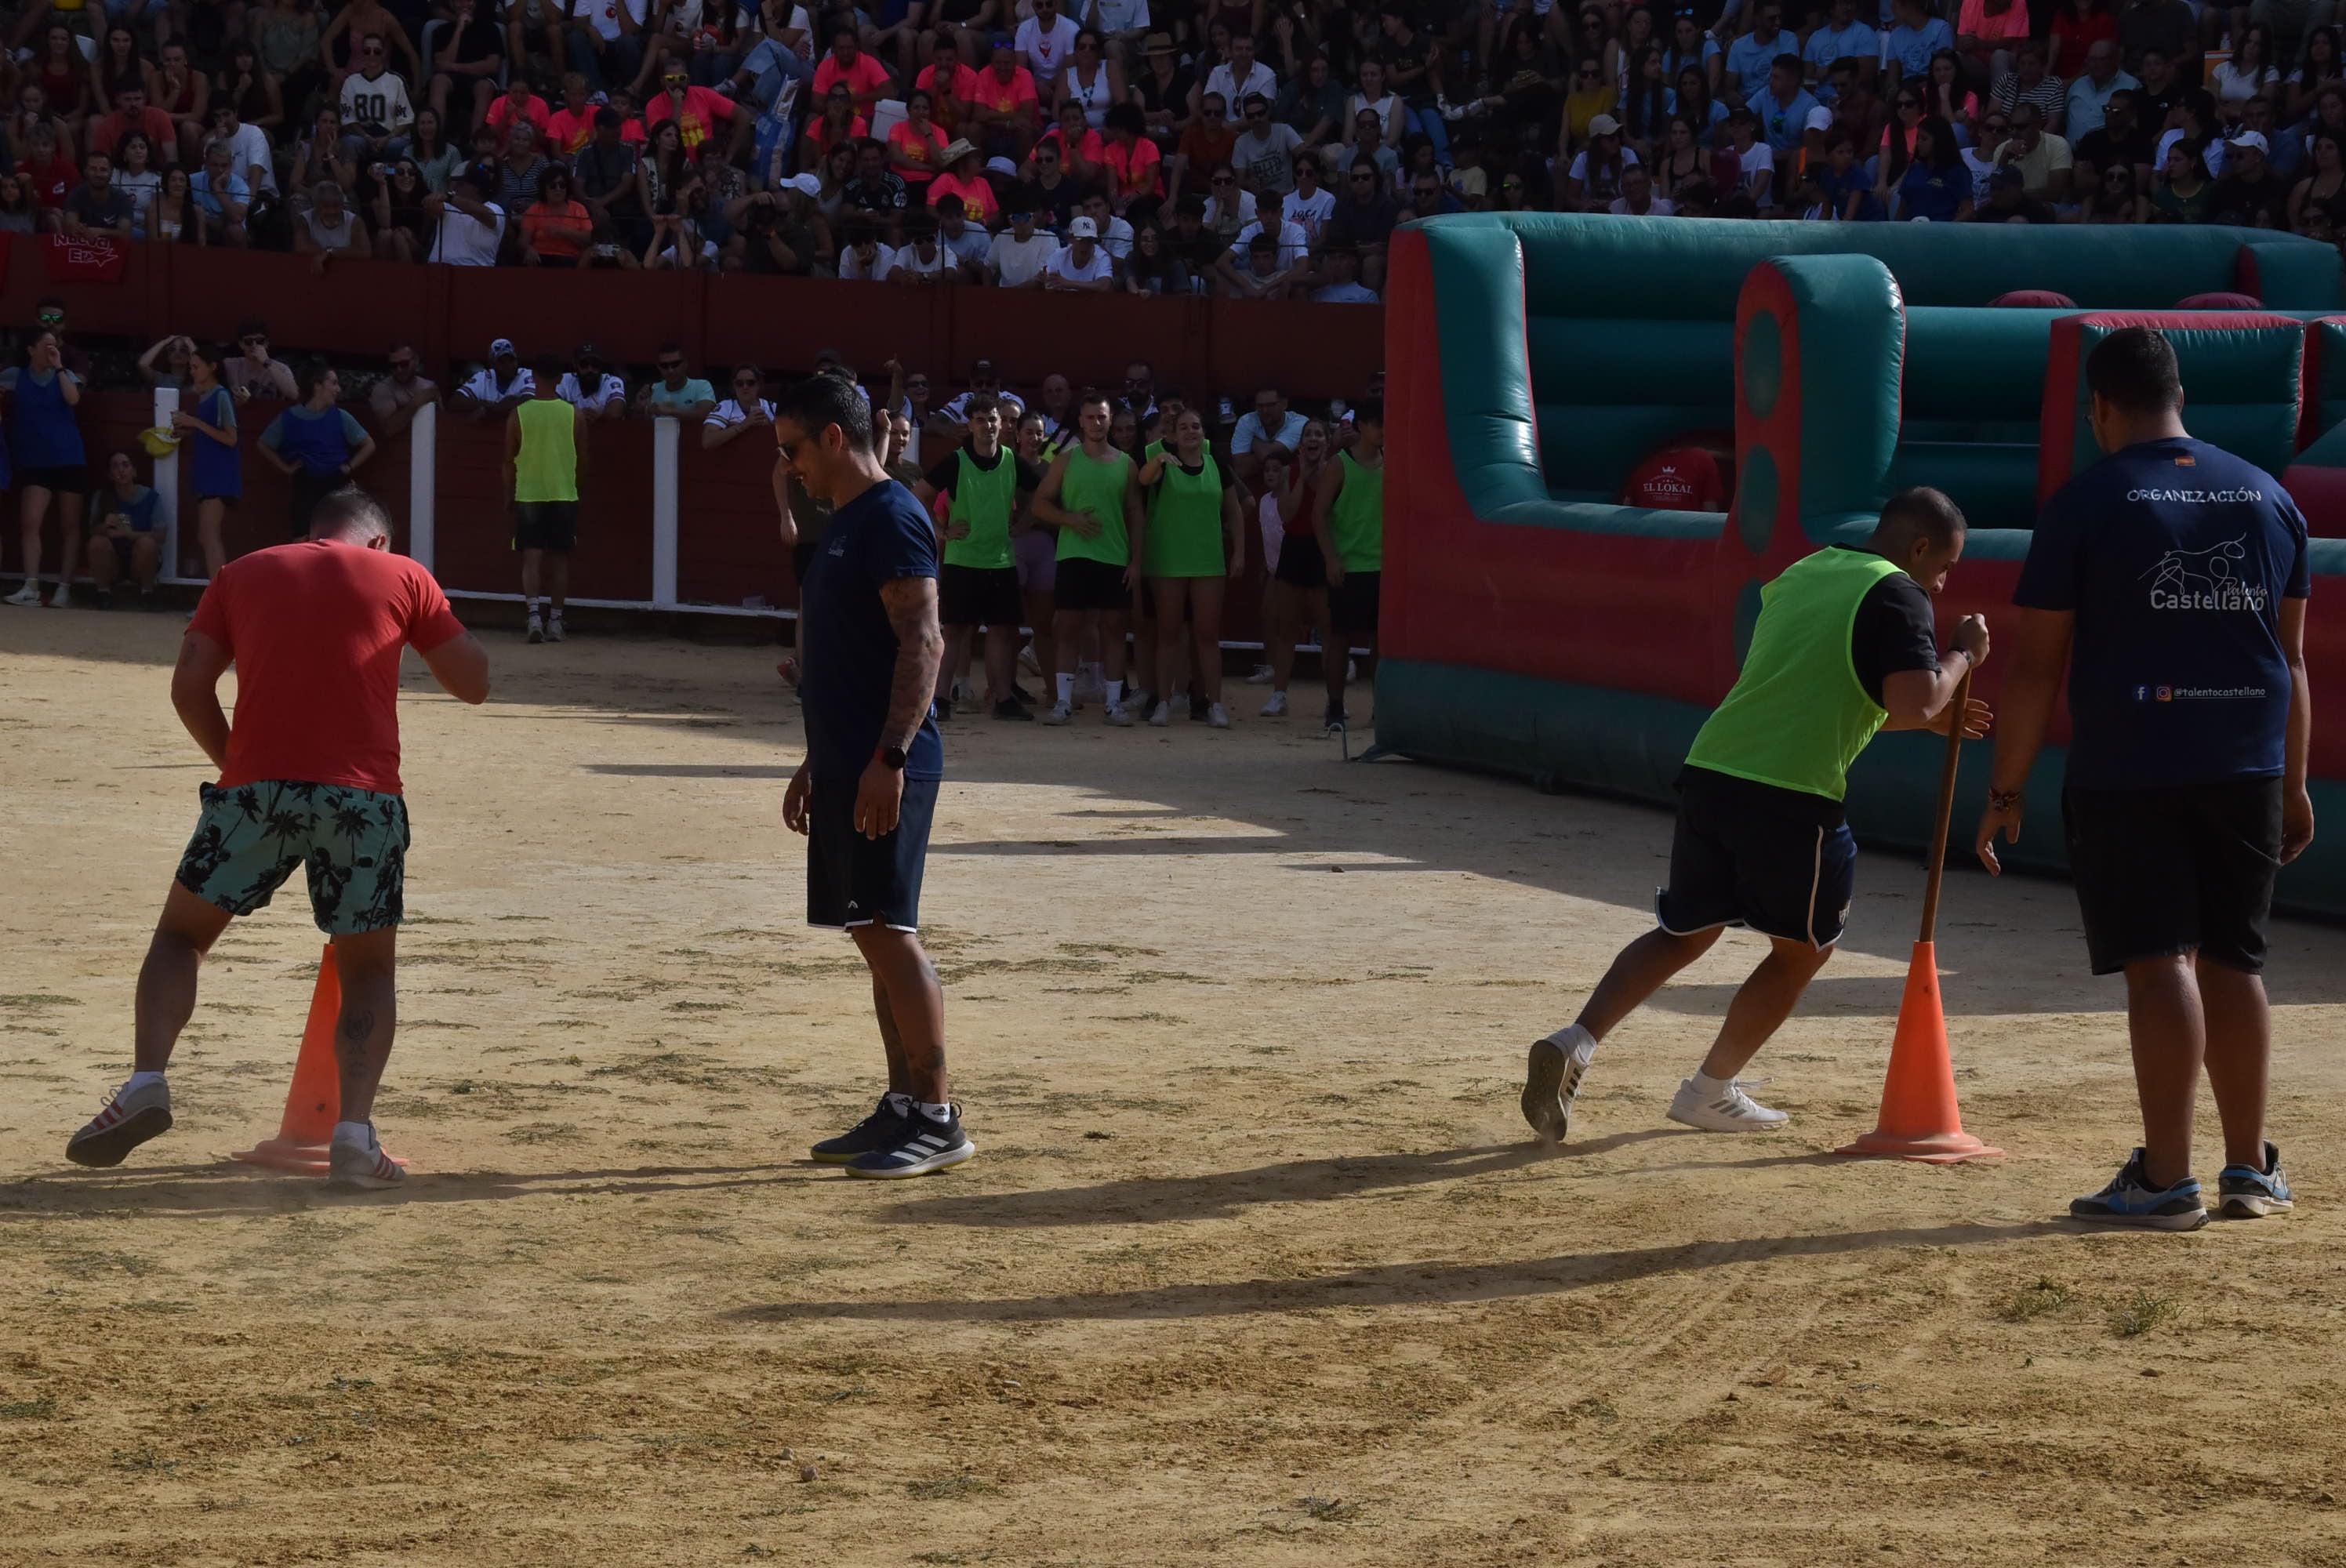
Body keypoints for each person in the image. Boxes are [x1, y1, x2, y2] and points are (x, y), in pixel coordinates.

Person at [1521, 489, 1991, 1147]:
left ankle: (1575, 1041)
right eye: (1944, 566)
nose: (1942, 581)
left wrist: (1925, 709)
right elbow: (1915, 701)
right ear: (1918, 549)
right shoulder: (1901, 593)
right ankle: (1708, 1091)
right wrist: (1963, 655)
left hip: (1714, 770)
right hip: (1793, 795)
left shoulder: (1804, 572)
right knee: (1806, 949)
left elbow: (1821, 686)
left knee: (1684, 931)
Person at [1976, 326, 2312, 1229]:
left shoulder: (2085, 502)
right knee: (2235, 957)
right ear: (2180, 399)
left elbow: (2037, 666)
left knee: (2159, 959)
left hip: (2130, 766)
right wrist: (2294, 783)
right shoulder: (2267, 495)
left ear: (2100, 408)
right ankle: (2248, 1168)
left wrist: (2004, 788)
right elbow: (2292, 660)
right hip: (2246, 760)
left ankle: (2165, 1177)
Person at [64, 488, 491, 1189]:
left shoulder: (242, 573)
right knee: (367, 971)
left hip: (256, 791)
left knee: (181, 939)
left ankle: (147, 1082)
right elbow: (472, 683)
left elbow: (188, 687)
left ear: (313, 532)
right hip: (364, 796)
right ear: (377, 541)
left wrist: (237, 767)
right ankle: (353, 1136)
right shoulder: (404, 575)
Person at [775, 371, 971, 1180]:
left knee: (890, 927)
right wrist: (817, 759)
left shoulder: (890, 517)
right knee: (870, 930)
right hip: (850, 762)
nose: (790, 466)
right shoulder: (853, 519)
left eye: (793, 448)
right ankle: (900, 1105)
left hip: (886, 765)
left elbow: (924, 644)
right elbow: (847, 658)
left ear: (831, 438)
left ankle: (937, 1114)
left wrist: (887, 758)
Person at [916, 393, 1042, 720]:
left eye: (993, 420)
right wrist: (942, 532)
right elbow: (920, 495)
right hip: (964, 559)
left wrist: (1027, 519)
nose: (988, 425)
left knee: (1002, 630)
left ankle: (1002, 699)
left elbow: (1043, 489)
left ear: (1002, 424)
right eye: (981, 420)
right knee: (955, 631)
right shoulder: (957, 461)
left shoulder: (1013, 460)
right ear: (970, 425)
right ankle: (940, 699)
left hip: (1001, 559)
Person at [1032, 388, 1144, 724]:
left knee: (1113, 629)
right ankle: (1064, 702)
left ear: (1110, 420)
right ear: (1080, 421)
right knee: (1067, 627)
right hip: (1074, 555)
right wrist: (1071, 519)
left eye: (1102, 417)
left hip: (1113, 557)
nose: (1097, 422)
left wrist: (1136, 561)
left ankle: (1114, 703)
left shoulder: (1127, 464)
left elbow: (1136, 514)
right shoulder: (1066, 460)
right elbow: (1039, 504)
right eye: (1091, 417)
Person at [1138, 406, 1243, 727]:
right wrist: (1158, 461)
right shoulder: (1161, 462)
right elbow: (1142, 481)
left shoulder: (1216, 464)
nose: (1190, 431)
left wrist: (1239, 553)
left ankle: (1216, 703)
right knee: (1168, 633)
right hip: (1168, 561)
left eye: (1196, 426)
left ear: (1203, 432)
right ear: (1173, 434)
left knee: (1208, 635)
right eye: (1183, 427)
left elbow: (1235, 510)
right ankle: (1164, 702)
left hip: (1208, 561)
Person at [1312, 396, 1386, 731]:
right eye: (1377, 423)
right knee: (1340, 640)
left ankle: (1381, 708)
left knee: (1381, 644)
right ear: (1361, 426)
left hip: (1383, 567)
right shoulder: (1339, 464)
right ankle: (1335, 708)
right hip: (1349, 566)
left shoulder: (1392, 461)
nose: (1383, 430)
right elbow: (1318, 514)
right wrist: (1331, 558)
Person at [506, 354, 588, 644]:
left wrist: (509, 495)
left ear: (533, 377)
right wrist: (575, 489)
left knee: (532, 558)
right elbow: (582, 461)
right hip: (563, 494)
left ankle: (533, 617)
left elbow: (508, 461)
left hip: (529, 493)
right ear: (561, 379)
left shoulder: (518, 414)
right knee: (560, 561)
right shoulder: (574, 414)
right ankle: (555, 621)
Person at [2, 328, 85, 608]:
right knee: (30, 522)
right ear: (31, 349)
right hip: (35, 460)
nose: (52, 350)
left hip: (69, 457)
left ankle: (64, 588)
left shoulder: (65, 374)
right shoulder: (15, 376)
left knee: (70, 525)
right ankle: (32, 586)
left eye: (55, 346)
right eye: (46, 346)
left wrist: (60, 366)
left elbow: (73, 399)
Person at [259, 361, 376, 538]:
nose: (338, 389)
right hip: (306, 483)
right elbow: (263, 444)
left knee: (336, 536)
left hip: (335, 484)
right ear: (318, 385)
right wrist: (286, 469)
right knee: (303, 537)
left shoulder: (341, 417)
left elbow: (369, 445)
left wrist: (348, 467)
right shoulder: (290, 418)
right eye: (333, 383)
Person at [85, 449, 164, 609]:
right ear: (110, 475)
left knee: (147, 544)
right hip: (113, 562)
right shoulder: (102, 497)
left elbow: (161, 536)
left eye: (125, 465)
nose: (121, 470)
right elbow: (91, 531)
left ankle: (148, 593)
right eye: (115, 467)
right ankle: (103, 593)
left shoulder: (151, 497)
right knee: (97, 542)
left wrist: (129, 534)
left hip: (140, 562)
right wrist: (105, 526)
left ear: (134, 472)